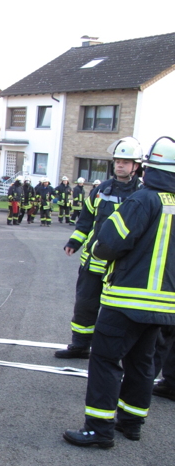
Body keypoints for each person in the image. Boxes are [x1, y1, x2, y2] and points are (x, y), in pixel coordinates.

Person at [64, 136, 175, 447]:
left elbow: (109, 243)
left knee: (105, 360)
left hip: (127, 300)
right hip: (164, 306)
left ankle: (98, 429)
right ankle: (132, 422)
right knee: (142, 364)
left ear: (149, 168)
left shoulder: (143, 200)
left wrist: (100, 251)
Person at [55, 138, 144, 359]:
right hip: (94, 262)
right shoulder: (101, 190)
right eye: (117, 161)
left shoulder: (142, 193)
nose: (120, 165)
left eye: (125, 162)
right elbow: (86, 220)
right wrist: (74, 242)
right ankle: (80, 345)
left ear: (136, 165)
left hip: (124, 266)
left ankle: (117, 352)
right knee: (85, 305)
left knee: (119, 311)